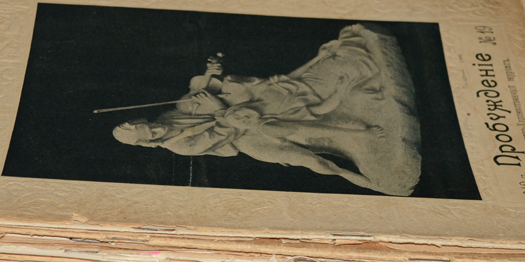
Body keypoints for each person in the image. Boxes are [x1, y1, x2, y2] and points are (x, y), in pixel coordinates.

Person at [113, 24, 421, 195]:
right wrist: (218, 107)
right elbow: (226, 129)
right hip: (246, 135)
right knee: (306, 156)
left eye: (147, 124)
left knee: (276, 87)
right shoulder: (182, 146)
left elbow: (200, 93)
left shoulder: (173, 112)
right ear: (148, 142)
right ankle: (371, 179)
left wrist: (211, 71)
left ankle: (345, 74)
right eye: (148, 133)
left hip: (240, 109)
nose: (154, 128)